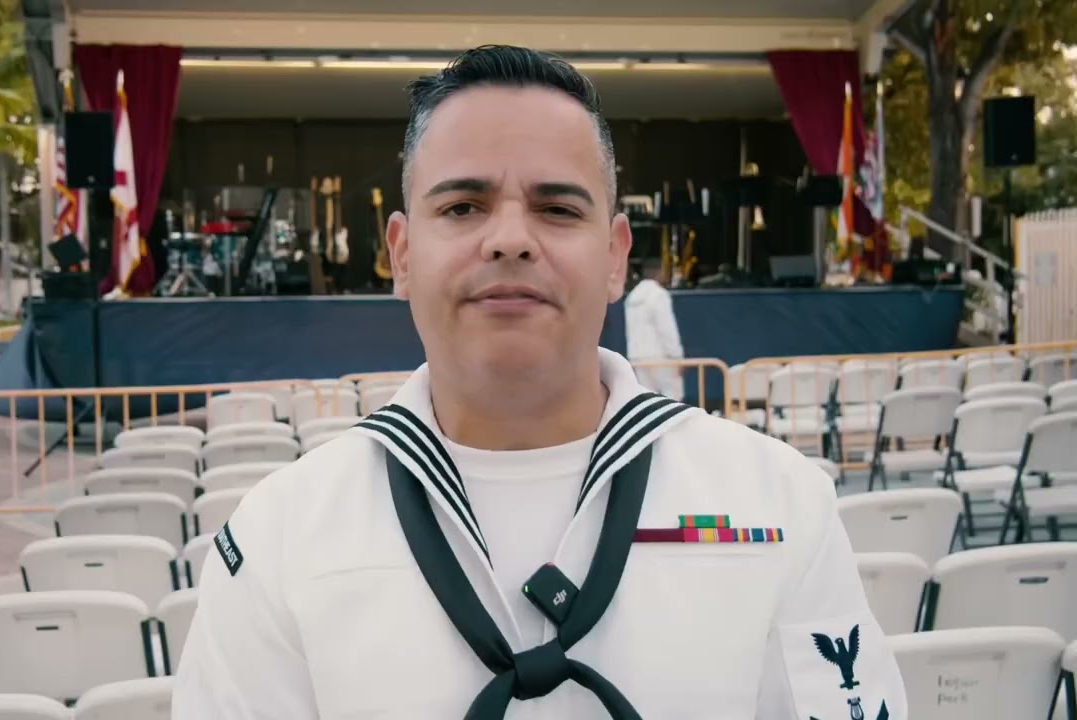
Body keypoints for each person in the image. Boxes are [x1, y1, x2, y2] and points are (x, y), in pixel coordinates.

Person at [173, 45, 906, 719]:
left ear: (617, 256)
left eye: (557, 209)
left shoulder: (780, 504)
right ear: (401, 253)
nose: (511, 238)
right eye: (463, 207)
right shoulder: (276, 538)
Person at [624, 258, 684, 399]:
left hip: (638, 357)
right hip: (661, 357)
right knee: (673, 398)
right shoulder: (658, 295)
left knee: (648, 400)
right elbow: (666, 329)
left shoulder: (632, 297)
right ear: (660, 272)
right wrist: (677, 356)